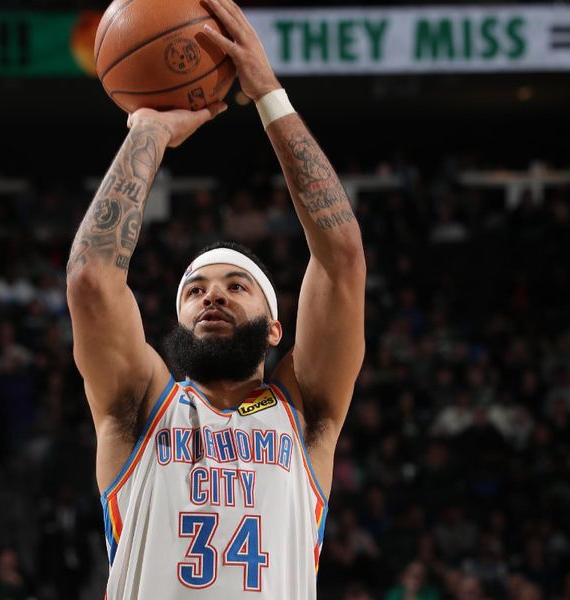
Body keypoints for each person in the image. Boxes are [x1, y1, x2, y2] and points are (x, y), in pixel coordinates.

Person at [65, 0, 365, 597]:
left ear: (276, 328)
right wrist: (149, 129)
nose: (213, 298)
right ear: (175, 318)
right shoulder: (141, 409)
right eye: (195, 290)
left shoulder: (306, 416)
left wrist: (269, 95)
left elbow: (343, 260)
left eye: (236, 286)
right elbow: (91, 281)